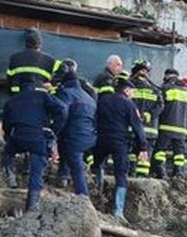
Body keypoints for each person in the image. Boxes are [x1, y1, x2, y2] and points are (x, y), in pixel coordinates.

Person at [1, 76, 67, 211]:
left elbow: (6, 126)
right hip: (38, 137)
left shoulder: (12, 101)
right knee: (36, 174)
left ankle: (11, 177)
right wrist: (54, 129)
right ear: (34, 86)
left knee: (8, 152)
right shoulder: (42, 96)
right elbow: (62, 109)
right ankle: (31, 207)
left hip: (18, 136)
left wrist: (9, 139)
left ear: (19, 88)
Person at [93, 75, 148, 219]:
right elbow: (137, 127)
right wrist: (143, 146)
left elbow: (95, 119)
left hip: (101, 140)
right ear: (127, 90)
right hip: (119, 143)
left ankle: (97, 195)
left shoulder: (103, 100)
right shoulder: (129, 104)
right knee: (121, 175)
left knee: (97, 165)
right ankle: (118, 212)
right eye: (132, 91)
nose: (132, 94)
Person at [52, 60, 97, 196]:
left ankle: (83, 197)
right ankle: (63, 176)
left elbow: (61, 113)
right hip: (90, 136)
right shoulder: (88, 97)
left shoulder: (66, 93)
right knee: (71, 153)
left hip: (75, 137)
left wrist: (53, 131)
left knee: (75, 165)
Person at [153, 69, 187, 178]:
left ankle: (162, 173)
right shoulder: (186, 91)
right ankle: (178, 174)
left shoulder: (165, 88)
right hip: (181, 129)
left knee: (160, 151)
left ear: (167, 76)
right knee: (179, 153)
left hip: (166, 126)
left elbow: (160, 106)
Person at [127, 60, 161, 177]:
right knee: (144, 156)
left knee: (131, 153)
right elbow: (160, 105)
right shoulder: (155, 89)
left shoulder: (128, 86)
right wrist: (149, 115)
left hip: (132, 128)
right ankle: (142, 181)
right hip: (150, 130)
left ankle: (130, 174)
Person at [6, 28, 59, 94]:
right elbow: (63, 70)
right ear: (40, 44)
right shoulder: (50, 60)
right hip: (40, 95)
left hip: (18, 94)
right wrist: (51, 87)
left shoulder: (14, 58)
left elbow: (9, 80)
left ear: (25, 44)